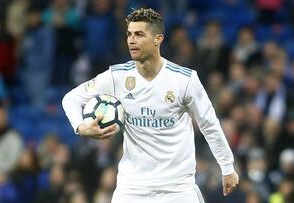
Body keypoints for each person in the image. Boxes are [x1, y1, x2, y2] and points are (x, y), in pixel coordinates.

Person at [62, 8, 239, 203]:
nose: (131, 40)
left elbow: (209, 124)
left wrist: (227, 167)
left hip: (177, 189)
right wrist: (81, 127)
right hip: (132, 188)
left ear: (158, 39)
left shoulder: (184, 80)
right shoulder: (116, 77)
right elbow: (71, 98)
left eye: (139, 34)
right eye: (129, 34)